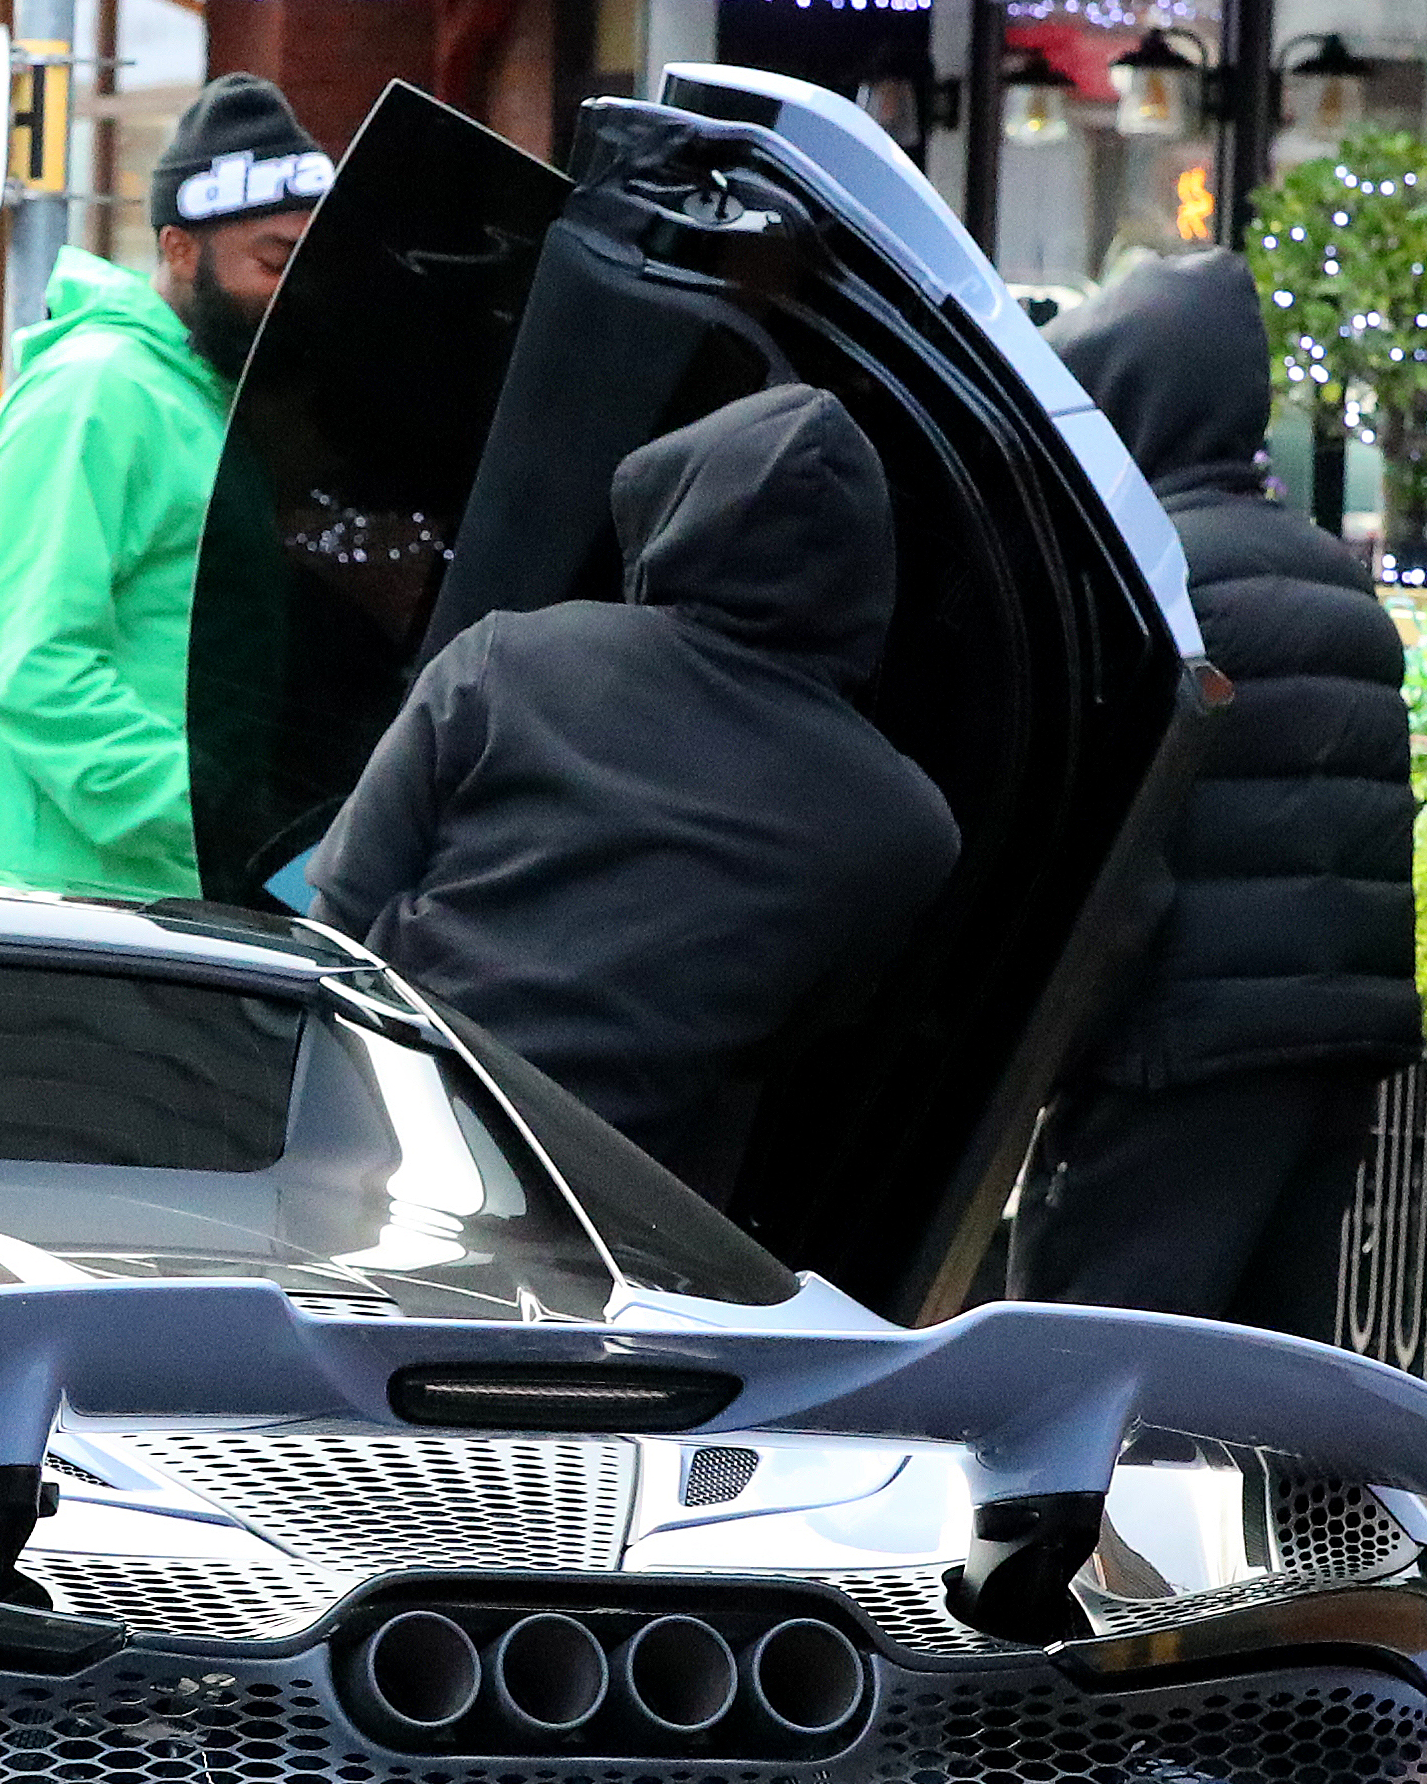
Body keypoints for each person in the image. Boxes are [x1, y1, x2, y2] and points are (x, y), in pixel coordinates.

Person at [314, 383, 960, 1201]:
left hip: (387, 1134)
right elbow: (794, 1036)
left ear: (675, 512)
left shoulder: (507, 659)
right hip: (624, 1214)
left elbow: (339, 913)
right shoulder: (905, 826)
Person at [1015, 246, 1419, 1337]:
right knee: (1262, 1384)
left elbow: (1116, 859)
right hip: (1327, 1045)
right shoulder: (1334, 578)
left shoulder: (1151, 580)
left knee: (1086, 1377)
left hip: (1171, 1049)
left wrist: (1049, 1046)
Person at [0, 73, 330, 902]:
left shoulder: (209, 401)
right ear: (179, 249)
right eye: (273, 263)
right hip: (48, 912)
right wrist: (210, 816)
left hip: (147, 902)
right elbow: (34, 661)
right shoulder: (95, 395)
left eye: (311, 266)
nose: (297, 297)